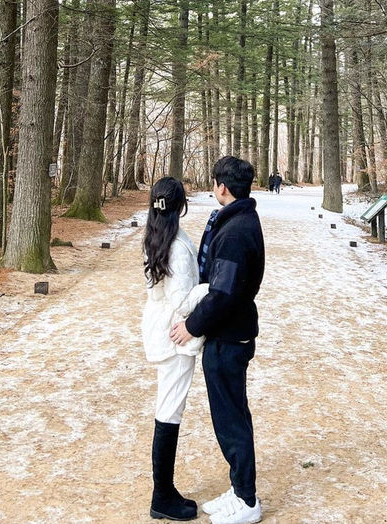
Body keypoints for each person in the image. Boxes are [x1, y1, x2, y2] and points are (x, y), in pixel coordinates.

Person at [170, 156, 265, 524]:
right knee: (231, 415)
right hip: (228, 334)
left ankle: (247, 500)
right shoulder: (237, 220)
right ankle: (239, 487)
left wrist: (191, 325)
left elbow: (223, 293)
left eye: (214, 183)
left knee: (231, 419)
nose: (213, 188)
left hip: (229, 338)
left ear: (222, 187)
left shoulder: (236, 231)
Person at [142, 176, 209, 521]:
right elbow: (183, 301)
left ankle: (163, 491)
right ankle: (162, 494)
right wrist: (210, 287)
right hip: (175, 335)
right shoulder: (178, 247)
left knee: (166, 409)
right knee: (169, 412)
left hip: (160, 328)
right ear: (181, 206)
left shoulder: (154, 233)